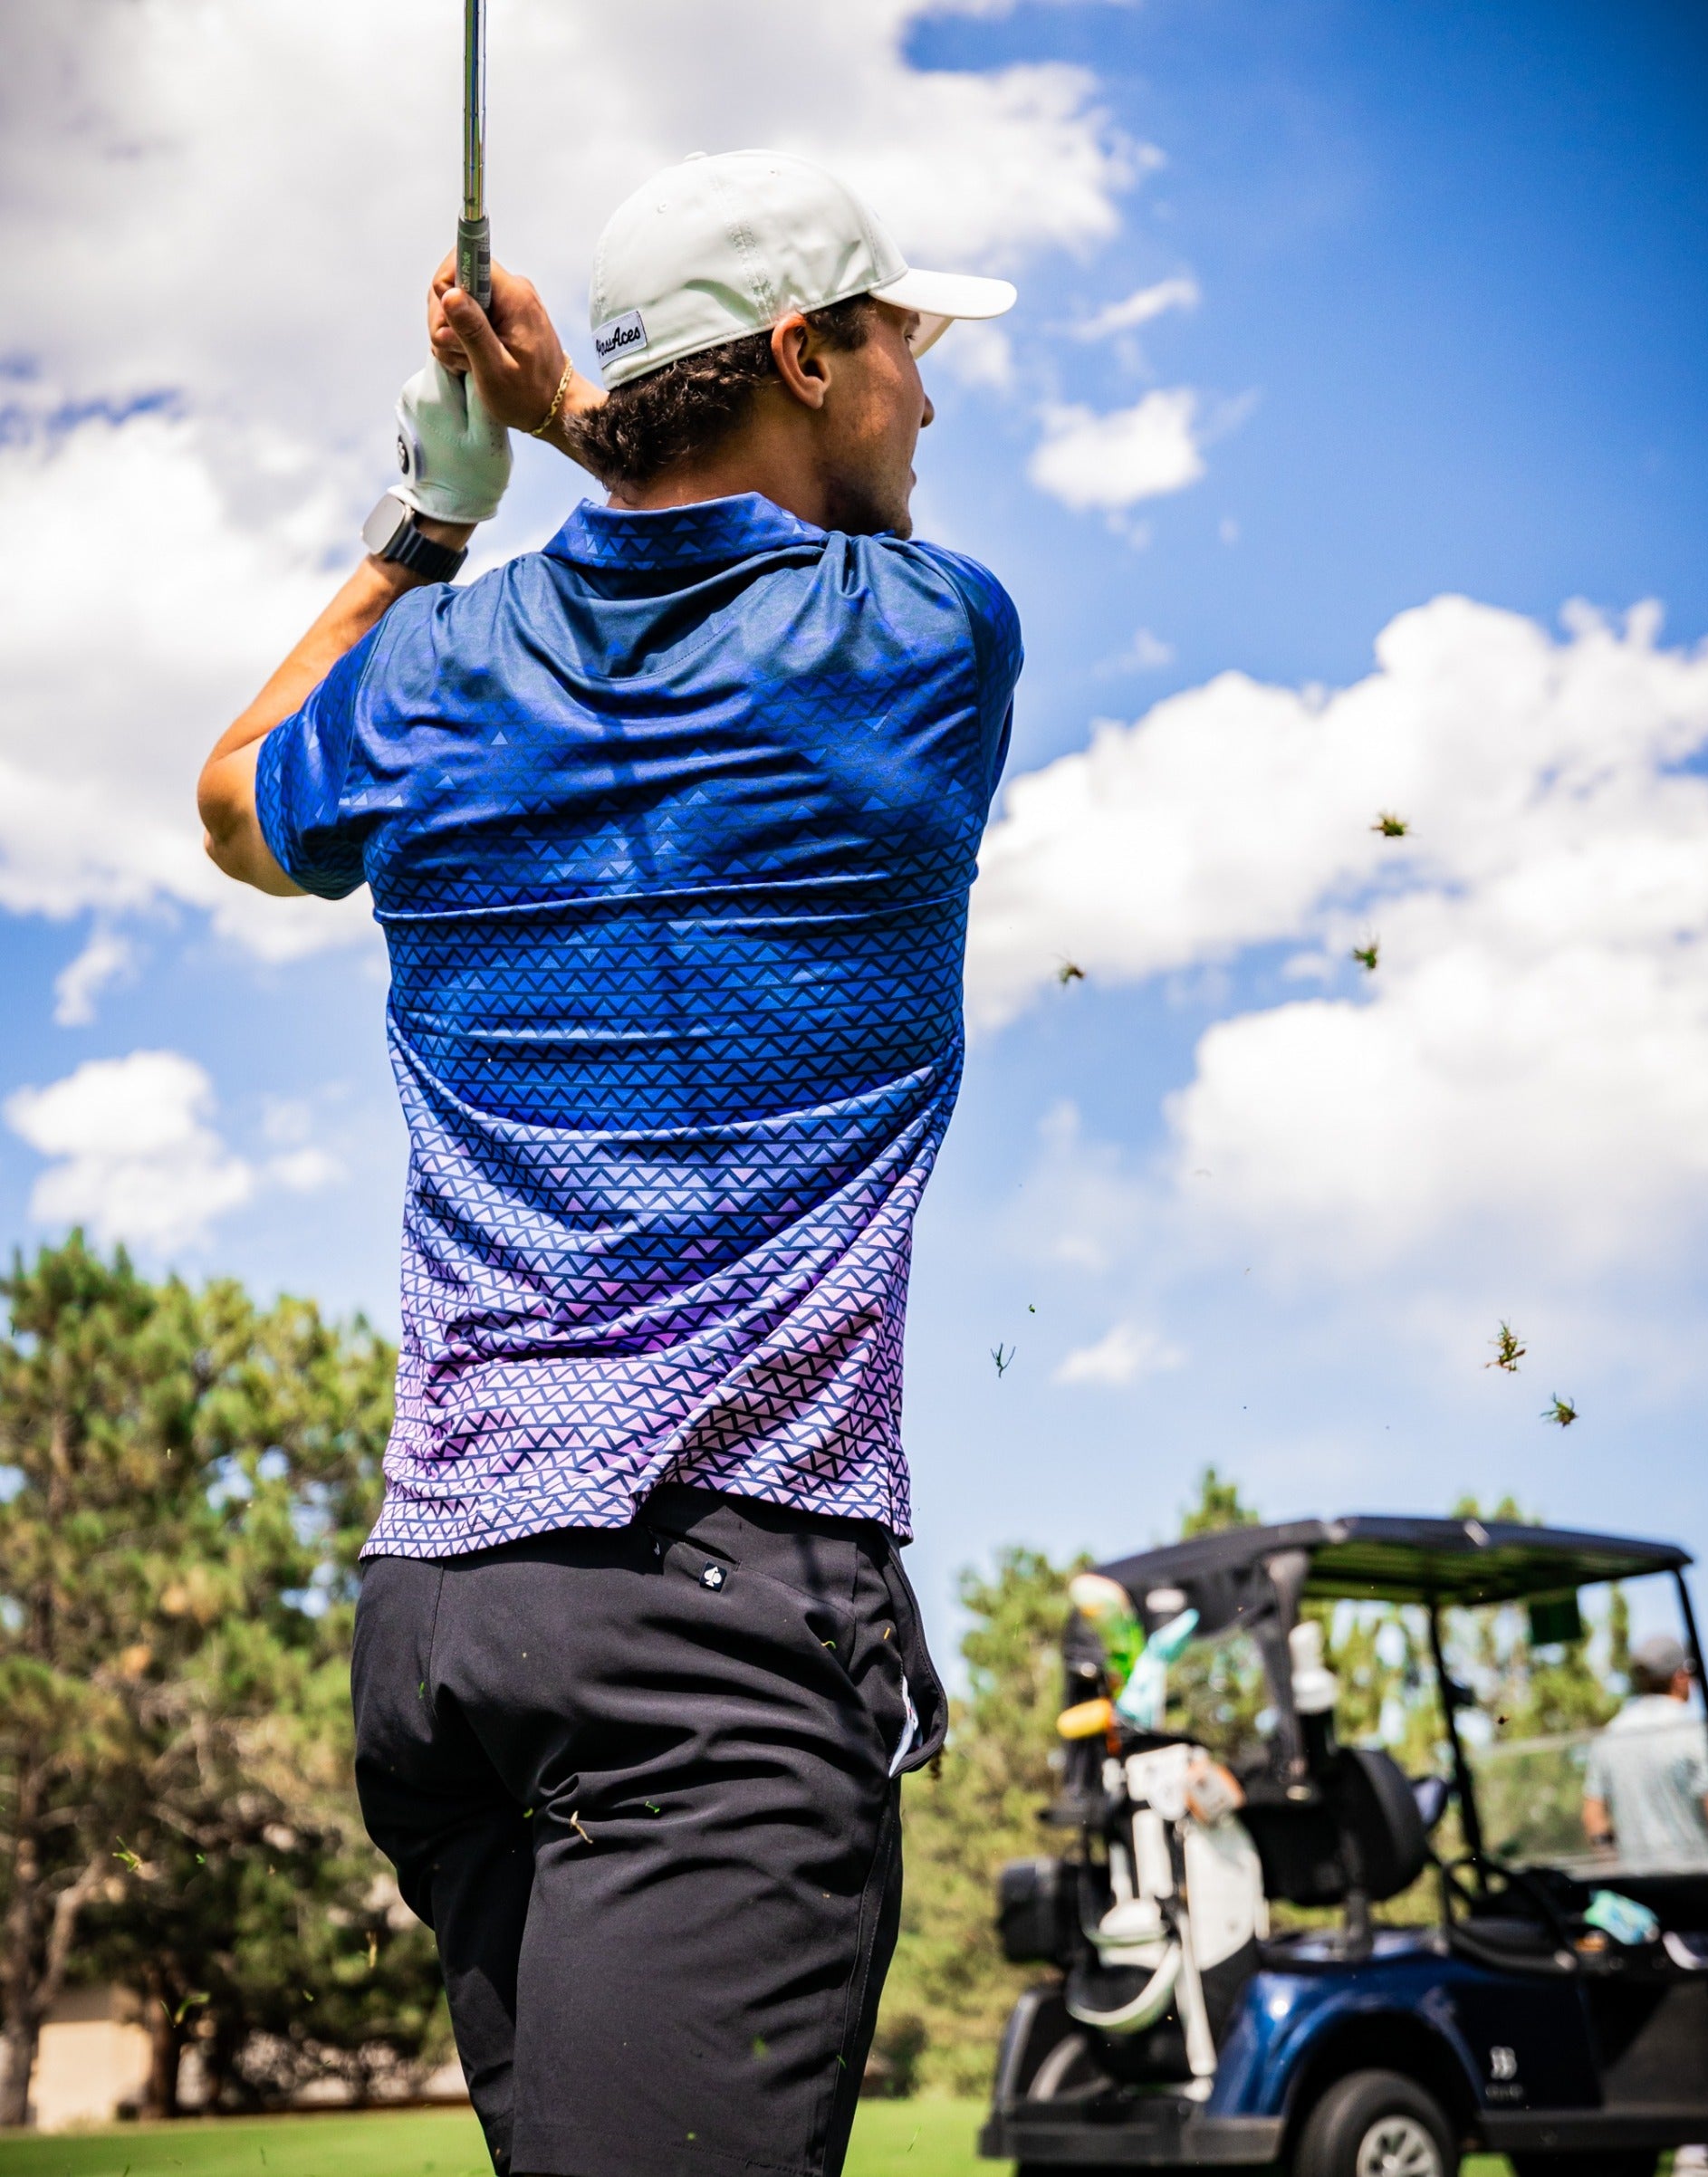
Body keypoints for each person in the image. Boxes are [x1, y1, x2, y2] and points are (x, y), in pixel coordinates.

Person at [197, 151, 1021, 2177]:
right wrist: (573, 419)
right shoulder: (915, 646)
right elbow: (684, 515)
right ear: (811, 355)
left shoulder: (427, 680)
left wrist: (427, 520)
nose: (927, 396)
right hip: (709, 1635)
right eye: (900, 349)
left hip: (447, 1635)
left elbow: (233, 797)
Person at [1582, 1633, 1708, 1873]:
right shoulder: (1696, 1734)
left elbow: (1593, 1817)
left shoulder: (1609, 1736)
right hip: (1701, 1885)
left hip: (1641, 1890)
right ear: (1680, 1677)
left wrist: (1615, 1873)